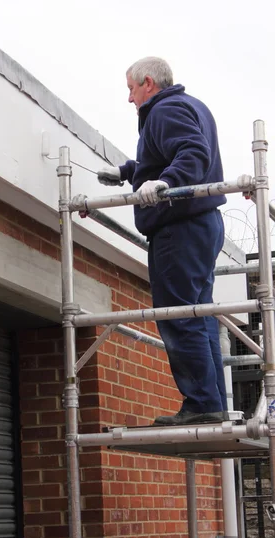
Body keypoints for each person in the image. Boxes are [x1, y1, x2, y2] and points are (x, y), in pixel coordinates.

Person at [97, 56, 228, 426]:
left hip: (179, 228)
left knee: (177, 316)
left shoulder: (164, 110)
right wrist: (127, 172)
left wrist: (167, 183)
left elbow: (192, 153)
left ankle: (201, 405)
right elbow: (165, 154)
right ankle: (210, 403)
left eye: (131, 89)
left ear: (148, 83)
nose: (129, 98)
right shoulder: (189, 105)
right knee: (197, 316)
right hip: (201, 225)